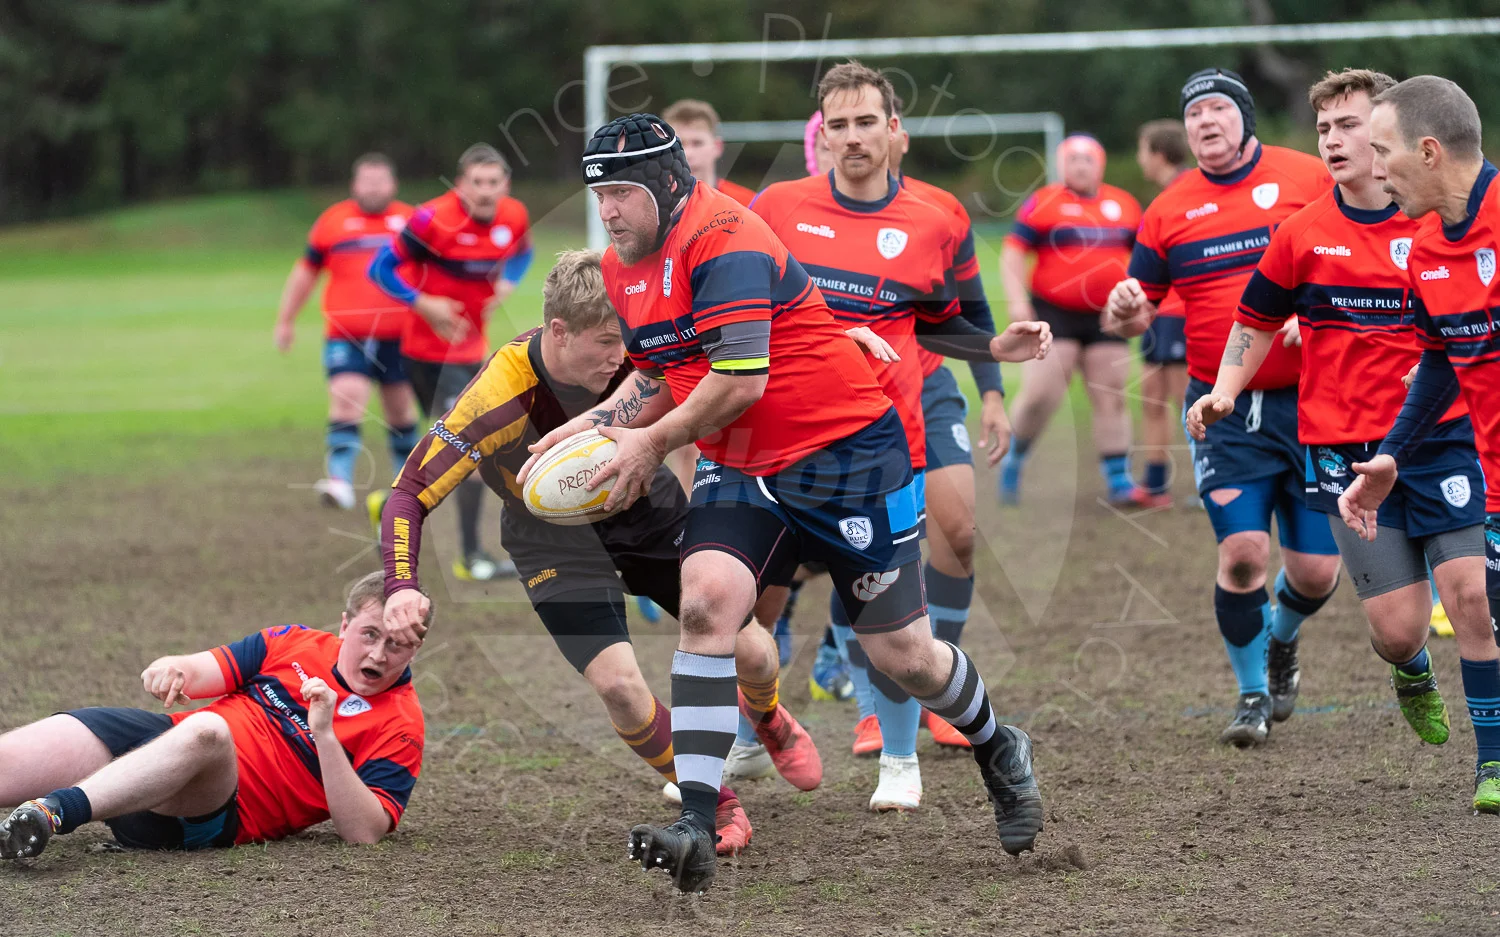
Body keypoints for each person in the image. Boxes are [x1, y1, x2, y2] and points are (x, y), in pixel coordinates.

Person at [528, 105, 1045, 893]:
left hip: (844, 454)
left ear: (669, 185)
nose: (609, 210)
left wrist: (650, 441)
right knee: (705, 606)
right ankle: (699, 822)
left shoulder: (723, 239)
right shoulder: (623, 263)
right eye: (599, 194)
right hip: (740, 463)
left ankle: (998, 742)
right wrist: (594, 425)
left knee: (901, 653)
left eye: (623, 193)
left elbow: (741, 378)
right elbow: (656, 367)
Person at [380, 250, 859, 853]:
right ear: (559, 331)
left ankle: (766, 716)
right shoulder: (499, 395)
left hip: (646, 509)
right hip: (548, 539)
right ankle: (713, 805)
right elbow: (407, 495)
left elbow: (742, 348)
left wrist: (842, 339)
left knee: (750, 649)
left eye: (624, 339)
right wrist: (400, 585)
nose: (620, 357)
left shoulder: (640, 351)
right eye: (607, 342)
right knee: (619, 687)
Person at [752, 66, 1042, 810]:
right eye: (838, 125)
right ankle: (750, 734)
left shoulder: (937, 217)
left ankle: (899, 752)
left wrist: (996, 362)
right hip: (786, 431)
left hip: (885, 437)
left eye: (865, 122)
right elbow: (740, 299)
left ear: (894, 131)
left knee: (891, 590)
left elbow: (952, 318)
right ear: (821, 135)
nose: (852, 137)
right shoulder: (779, 208)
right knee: (749, 596)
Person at [1186, 67, 1490, 759]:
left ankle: (1491, 757)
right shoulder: (1302, 233)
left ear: (1393, 135)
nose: (1333, 139)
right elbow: (1254, 318)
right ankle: (1411, 668)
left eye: (1350, 125)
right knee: (1396, 631)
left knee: (1472, 595)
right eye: (1323, 128)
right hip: (1343, 448)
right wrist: (1227, 387)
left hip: (1439, 439)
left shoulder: (1441, 223)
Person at [1106, 68, 1342, 747]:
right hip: (1223, 408)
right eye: (1193, 115)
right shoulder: (1168, 208)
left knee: (1316, 573)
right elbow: (1135, 311)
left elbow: (1357, 256)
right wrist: (1123, 309)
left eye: (1217, 109)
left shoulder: (1306, 177)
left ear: (1244, 116)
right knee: (1242, 555)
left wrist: (1321, 316)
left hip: (1314, 404)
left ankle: (1283, 638)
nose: (1205, 122)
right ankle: (1252, 692)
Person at [0, 572, 425, 858]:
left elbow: (364, 832)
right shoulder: (293, 641)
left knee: (210, 731)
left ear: (415, 647)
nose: (377, 654)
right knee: (60, 737)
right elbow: (201, 669)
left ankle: (55, 812)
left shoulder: (402, 725)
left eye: (396, 645)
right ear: (345, 625)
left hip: (213, 813)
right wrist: (172, 668)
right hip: (162, 749)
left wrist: (325, 735)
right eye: (370, 634)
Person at [1336, 74, 1500, 812]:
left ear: (1429, 152)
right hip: (1488, 477)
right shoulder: (1428, 246)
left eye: (1382, 151)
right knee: (1479, 609)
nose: (1374, 168)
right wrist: (1391, 455)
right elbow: (1440, 358)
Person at [368, 144, 534, 582]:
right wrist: (424, 304)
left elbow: (522, 253)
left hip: (470, 352)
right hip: (424, 353)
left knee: (465, 444)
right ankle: (451, 544)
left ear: (505, 185)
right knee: (461, 446)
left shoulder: (513, 216)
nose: (484, 191)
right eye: (475, 182)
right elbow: (380, 268)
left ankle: (451, 544)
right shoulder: (429, 219)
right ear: (460, 184)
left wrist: (509, 285)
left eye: (492, 182)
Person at [999, 134, 1146, 507]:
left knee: (1111, 396)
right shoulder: (1043, 203)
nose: (1080, 165)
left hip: (1107, 316)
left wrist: (1140, 303)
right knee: (1039, 396)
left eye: (1087, 159)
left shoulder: (1124, 205)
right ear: (1061, 164)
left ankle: (1119, 482)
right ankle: (1012, 461)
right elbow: (1014, 252)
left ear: (1101, 164)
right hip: (1053, 313)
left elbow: (1147, 260)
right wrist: (1017, 302)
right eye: (1073, 159)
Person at [273, 153, 419, 515]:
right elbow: (305, 272)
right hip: (347, 334)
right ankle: (339, 481)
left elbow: (438, 270)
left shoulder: (412, 222)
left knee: (400, 411)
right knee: (346, 399)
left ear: (393, 184)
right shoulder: (333, 222)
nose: (373, 188)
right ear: (355, 185)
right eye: (366, 181)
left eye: (380, 181)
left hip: (401, 335)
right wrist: (286, 319)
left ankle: (408, 485)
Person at [1134, 121, 1193, 507]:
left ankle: (1216, 483)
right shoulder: (1165, 197)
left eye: (1141, 150)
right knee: (1151, 396)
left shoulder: (1187, 194)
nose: (1140, 159)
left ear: (1156, 154)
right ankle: (1155, 484)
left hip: (1181, 311)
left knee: (1188, 403)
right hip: (1159, 313)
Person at [661, 99, 757, 206]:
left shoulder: (749, 203)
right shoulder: (651, 207)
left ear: (717, 147)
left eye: (697, 143)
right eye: (679, 144)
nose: (688, 153)